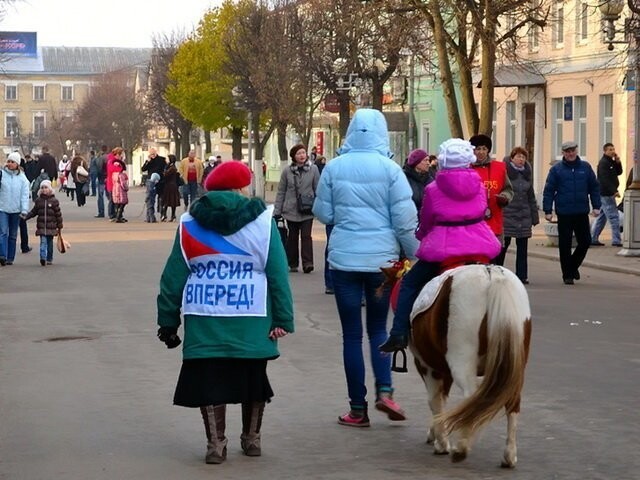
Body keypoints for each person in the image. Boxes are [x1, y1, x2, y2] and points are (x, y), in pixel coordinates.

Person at [156, 160, 294, 465]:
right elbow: (277, 274)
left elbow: (173, 276)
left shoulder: (190, 222)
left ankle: (216, 445)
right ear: (240, 188)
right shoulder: (263, 221)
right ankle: (252, 439)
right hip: (252, 315)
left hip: (205, 316)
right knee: (252, 376)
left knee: (210, 379)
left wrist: (168, 321)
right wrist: (283, 318)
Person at [313, 108, 419, 427]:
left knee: (350, 336)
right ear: (381, 134)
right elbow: (404, 221)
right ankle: (385, 390)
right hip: (382, 264)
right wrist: (416, 256)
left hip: (344, 261)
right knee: (378, 329)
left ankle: (357, 410)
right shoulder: (391, 170)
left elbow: (323, 213)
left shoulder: (334, 167)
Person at [380, 138, 501, 352]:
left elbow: (426, 220)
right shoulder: (480, 186)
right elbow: (482, 211)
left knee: (409, 283)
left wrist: (421, 234)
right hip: (480, 246)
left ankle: (398, 334)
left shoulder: (433, 188)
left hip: (445, 250)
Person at [542, 141, 601, 285]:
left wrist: (596, 206)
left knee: (585, 241)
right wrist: (548, 210)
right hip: (564, 212)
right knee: (565, 244)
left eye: (572, 150)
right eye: (567, 151)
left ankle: (573, 266)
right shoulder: (557, 170)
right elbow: (549, 190)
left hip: (581, 211)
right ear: (563, 153)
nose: (570, 153)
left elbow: (594, 187)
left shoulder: (585, 168)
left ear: (576, 151)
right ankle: (567, 275)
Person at [273, 145, 320, 273]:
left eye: (304, 153)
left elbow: (318, 190)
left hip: (307, 209)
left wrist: (319, 207)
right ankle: (292, 263)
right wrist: (277, 211)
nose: (302, 155)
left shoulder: (314, 169)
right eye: (299, 153)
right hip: (291, 210)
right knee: (292, 237)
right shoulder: (287, 171)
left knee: (306, 236)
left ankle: (308, 263)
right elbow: (281, 192)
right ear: (294, 156)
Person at [496, 147, 539, 284]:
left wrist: (534, 216)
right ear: (512, 158)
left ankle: (522, 275)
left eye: (523, 157)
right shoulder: (504, 172)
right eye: (519, 157)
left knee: (522, 248)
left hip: (524, 215)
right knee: (503, 246)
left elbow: (531, 197)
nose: (521, 160)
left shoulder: (527, 174)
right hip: (507, 215)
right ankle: (498, 272)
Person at [469, 134, 514, 263]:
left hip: (494, 218)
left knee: (495, 258)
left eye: (484, 148)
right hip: (474, 221)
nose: (481, 152)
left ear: (488, 150)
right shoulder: (467, 169)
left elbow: (508, 189)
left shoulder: (499, 167)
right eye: (478, 149)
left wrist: (505, 197)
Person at [0, 152, 31, 266]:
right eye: (8, 161)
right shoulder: (2, 174)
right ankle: (2, 255)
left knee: (12, 235)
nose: (9, 163)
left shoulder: (22, 178)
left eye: (12, 162)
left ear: (17, 164)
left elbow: (24, 195)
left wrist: (24, 210)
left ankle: (10, 258)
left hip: (16, 210)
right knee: (3, 232)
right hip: (3, 208)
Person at [590, 143, 623, 247]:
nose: (612, 151)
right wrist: (614, 191)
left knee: (602, 217)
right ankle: (616, 240)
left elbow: (619, 172)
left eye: (613, 149)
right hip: (606, 193)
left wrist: (618, 162)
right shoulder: (603, 163)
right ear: (605, 151)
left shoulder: (610, 162)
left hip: (606, 193)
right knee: (614, 217)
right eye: (610, 149)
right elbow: (604, 180)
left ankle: (593, 238)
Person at [24, 179, 63, 266]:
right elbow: (34, 212)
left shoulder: (54, 201)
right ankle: (43, 257)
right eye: (42, 188)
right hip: (41, 226)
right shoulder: (38, 201)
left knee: (49, 244)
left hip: (51, 226)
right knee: (43, 242)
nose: (44, 189)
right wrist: (26, 217)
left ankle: (49, 258)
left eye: (46, 187)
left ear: (50, 189)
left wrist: (59, 225)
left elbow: (58, 214)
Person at [403, 148, 435, 214]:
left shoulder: (430, 180)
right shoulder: (404, 179)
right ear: (416, 163)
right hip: (410, 219)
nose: (428, 163)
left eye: (428, 160)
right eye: (425, 160)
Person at [105, 147, 124, 220]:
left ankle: (118, 214)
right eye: (121, 154)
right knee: (112, 199)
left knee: (118, 199)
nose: (122, 156)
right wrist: (120, 168)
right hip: (112, 183)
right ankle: (111, 215)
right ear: (118, 154)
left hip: (117, 183)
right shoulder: (111, 160)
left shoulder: (117, 160)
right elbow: (112, 169)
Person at [160, 155, 181, 222]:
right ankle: (165, 215)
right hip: (169, 186)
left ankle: (172, 215)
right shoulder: (169, 166)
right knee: (166, 201)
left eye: (168, 159)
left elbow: (166, 175)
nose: (166, 160)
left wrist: (164, 172)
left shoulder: (172, 168)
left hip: (171, 186)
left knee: (171, 201)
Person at [94, 145, 109, 218]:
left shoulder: (101, 158)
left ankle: (101, 212)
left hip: (102, 178)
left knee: (100, 196)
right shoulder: (110, 157)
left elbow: (99, 168)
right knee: (110, 196)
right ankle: (112, 211)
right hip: (109, 178)